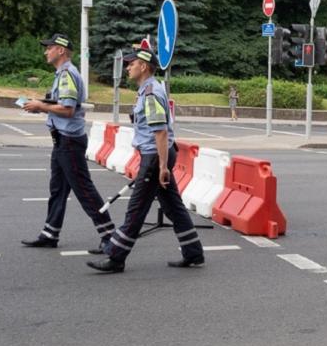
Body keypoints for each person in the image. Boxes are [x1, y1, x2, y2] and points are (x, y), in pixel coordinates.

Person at [87, 46, 205, 274]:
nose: (128, 67)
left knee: (136, 208)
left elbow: (159, 132)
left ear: (143, 66)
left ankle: (116, 256)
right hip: (157, 155)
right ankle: (193, 252)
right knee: (173, 206)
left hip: (154, 157)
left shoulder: (150, 92)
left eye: (132, 63)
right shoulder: (148, 90)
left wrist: (161, 166)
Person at [21, 34, 116, 253]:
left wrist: (41, 107)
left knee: (84, 190)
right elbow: (61, 104)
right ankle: (49, 233)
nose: (46, 51)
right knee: (58, 189)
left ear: (61, 50)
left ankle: (109, 235)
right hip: (62, 141)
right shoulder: (62, 75)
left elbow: (68, 109)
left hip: (70, 142)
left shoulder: (67, 75)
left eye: (49, 48)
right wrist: (40, 105)